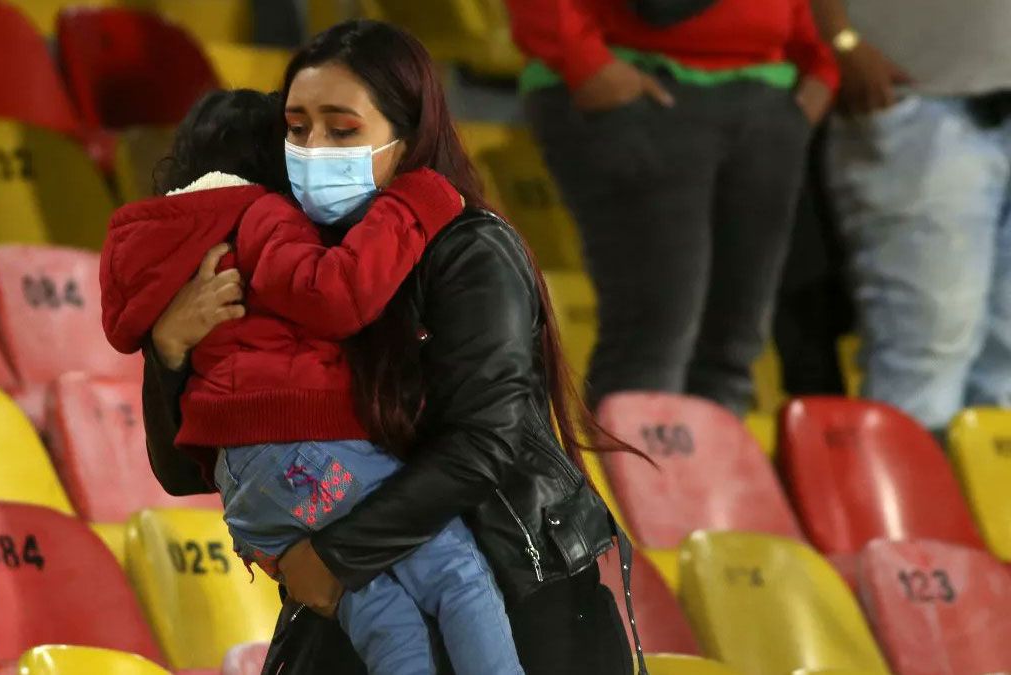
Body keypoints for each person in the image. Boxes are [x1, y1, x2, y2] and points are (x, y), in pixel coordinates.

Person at [137, 19, 644, 675]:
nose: (314, 148)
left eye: (342, 130)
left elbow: (481, 443)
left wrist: (332, 556)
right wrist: (168, 348)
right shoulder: (287, 258)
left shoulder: (469, 250)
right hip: (362, 589)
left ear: (409, 138)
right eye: (296, 128)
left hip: (512, 590)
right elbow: (186, 467)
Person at [100, 87, 523, 674]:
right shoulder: (264, 219)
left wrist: (167, 343)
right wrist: (415, 203)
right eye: (299, 139)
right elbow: (337, 291)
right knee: (457, 574)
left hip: (252, 490)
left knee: (386, 616)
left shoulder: (168, 245)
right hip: (313, 450)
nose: (316, 153)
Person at [505, 0, 839, 416]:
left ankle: (704, 479)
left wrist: (822, 67)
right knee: (654, 336)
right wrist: (586, 64)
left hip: (767, 92)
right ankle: (629, 479)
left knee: (733, 345)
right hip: (634, 77)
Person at [812, 0, 1011, 432]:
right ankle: (904, 496)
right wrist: (841, 41)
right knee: (925, 347)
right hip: (919, 106)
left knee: (1006, 359)